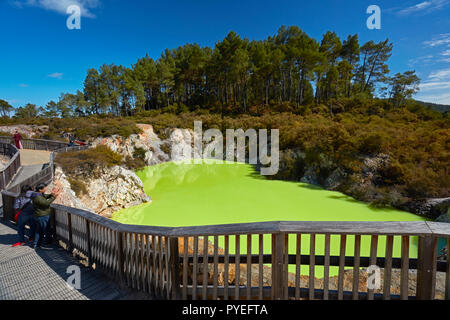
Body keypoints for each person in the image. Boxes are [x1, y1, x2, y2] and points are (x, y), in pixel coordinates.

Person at [32, 183, 61, 249]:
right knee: (44, 230)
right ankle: (43, 244)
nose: (46, 189)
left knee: (39, 230)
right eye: (44, 188)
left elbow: (45, 196)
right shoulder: (38, 197)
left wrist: (51, 194)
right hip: (42, 216)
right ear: (40, 190)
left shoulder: (38, 194)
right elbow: (46, 203)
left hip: (39, 215)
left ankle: (36, 244)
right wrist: (54, 196)